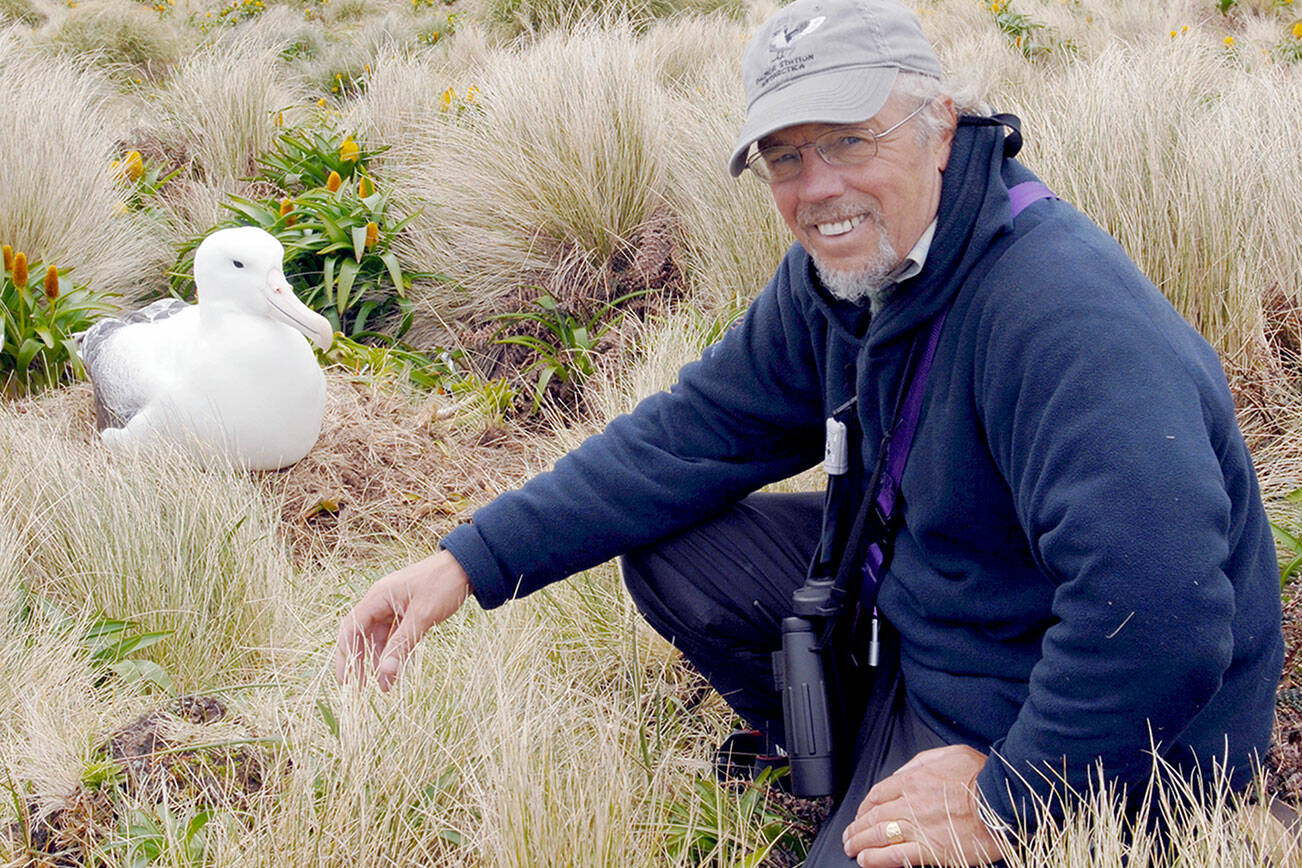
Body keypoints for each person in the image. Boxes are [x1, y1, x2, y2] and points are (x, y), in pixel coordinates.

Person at [335, 0, 1285, 864]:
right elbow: (687, 437)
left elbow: (1164, 617)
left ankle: (939, 797)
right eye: (786, 156)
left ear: (941, 124)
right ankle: (852, 752)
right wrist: (466, 561)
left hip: (1078, 724)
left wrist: (1010, 797)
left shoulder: (1064, 320)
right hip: (931, 633)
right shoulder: (848, 275)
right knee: (675, 546)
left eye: (847, 140)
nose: (818, 187)